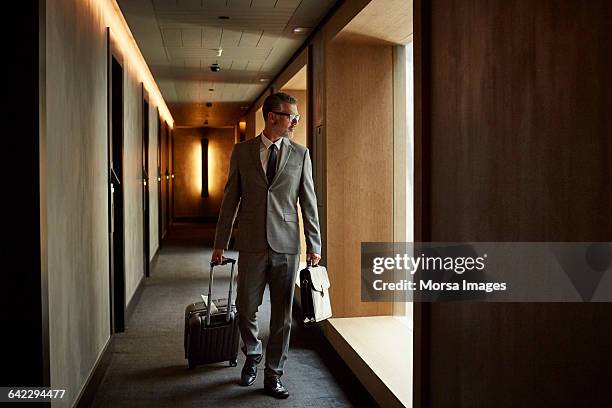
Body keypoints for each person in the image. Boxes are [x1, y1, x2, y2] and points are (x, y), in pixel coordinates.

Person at [211, 92, 321, 399]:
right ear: (273, 117)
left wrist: (315, 243)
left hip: (287, 244)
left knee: (283, 317)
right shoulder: (242, 152)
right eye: (291, 117)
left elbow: (308, 202)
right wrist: (220, 244)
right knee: (245, 309)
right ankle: (254, 352)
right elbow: (230, 199)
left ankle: (273, 374)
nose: (295, 122)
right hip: (252, 244)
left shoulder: (301, 154)